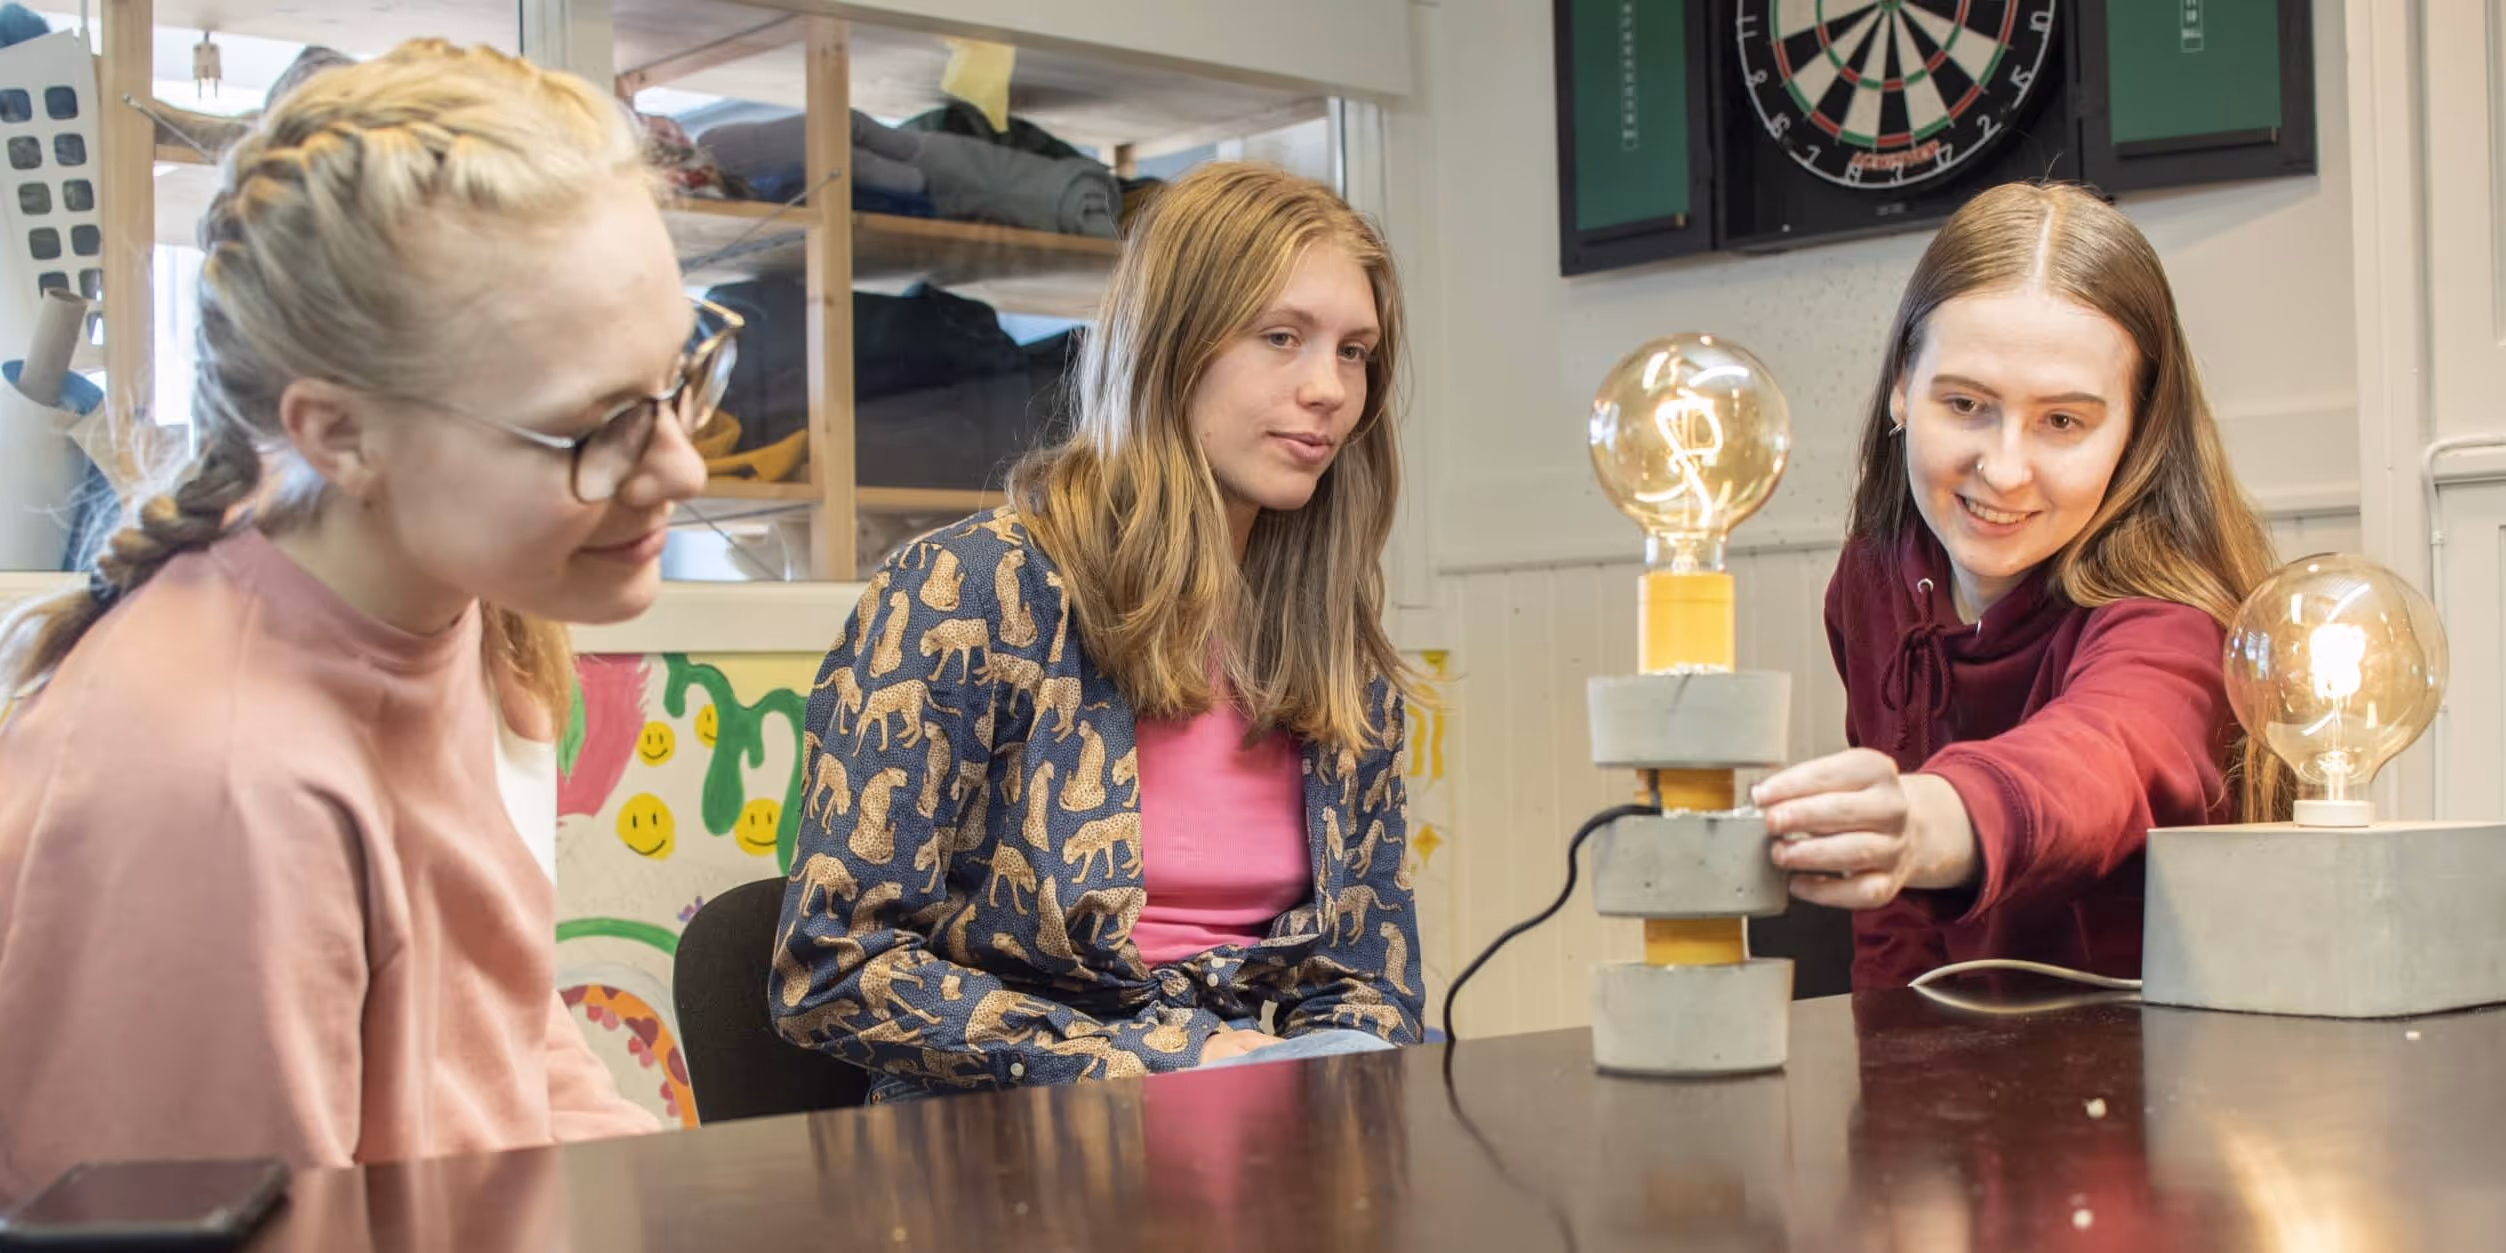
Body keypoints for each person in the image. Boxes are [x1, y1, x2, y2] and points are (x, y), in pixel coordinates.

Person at [0, 41, 715, 1186]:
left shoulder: (444, 614)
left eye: (680, 380)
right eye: (595, 426)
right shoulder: (227, 785)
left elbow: (509, 1050)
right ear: (341, 436)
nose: (682, 468)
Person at [773, 163, 1421, 1101]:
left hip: (1270, 1141)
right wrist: (1171, 1063)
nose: (1328, 387)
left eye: (1355, 351)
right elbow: (831, 965)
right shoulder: (969, 591)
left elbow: (1371, 984)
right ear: (1169, 347)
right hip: (1006, 1149)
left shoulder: (1333, 640)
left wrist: (1328, 1084)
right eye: (1282, 337)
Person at [1752, 182, 2282, 987]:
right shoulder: (1872, 583)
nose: (2002, 469)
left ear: (2138, 430)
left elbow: (2099, 763)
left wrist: (1930, 819)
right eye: (1965, 404)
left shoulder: (2177, 618)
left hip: (2167, 1081)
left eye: (2062, 421)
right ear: (1902, 387)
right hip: (1957, 1082)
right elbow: (1893, 928)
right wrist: (1892, 1079)